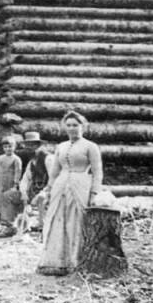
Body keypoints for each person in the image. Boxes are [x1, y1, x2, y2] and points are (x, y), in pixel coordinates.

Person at [36, 111, 103, 276]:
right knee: (58, 219)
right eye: (69, 125)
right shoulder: (61, 146)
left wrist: (94, 194)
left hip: (81, 185)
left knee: (77, 221)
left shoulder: (90, 146)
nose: (72, 128)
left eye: (75, 125)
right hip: (61, 186)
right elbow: (54, 172)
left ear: (83, 126)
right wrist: (49, 190)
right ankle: (58, 262)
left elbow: (97, 172)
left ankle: (77, 261)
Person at [0, 136, 23, 235]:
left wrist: (15, 184)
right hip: (0, 185)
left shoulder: (16, 159)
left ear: (14, 147)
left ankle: (9, 226)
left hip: (9, 186)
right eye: (6, 147)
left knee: (7, 206)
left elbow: (18, 172)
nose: (8, 149)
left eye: (10, 146)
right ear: (3, 148)